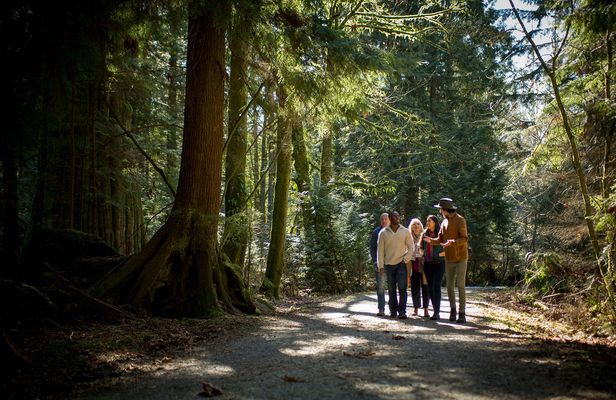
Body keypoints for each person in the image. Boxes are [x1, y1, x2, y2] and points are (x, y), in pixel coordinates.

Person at [424, 198, 469, 323]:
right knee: (449, 287)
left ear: (444, 209)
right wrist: (430, 241)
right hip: (449, 258)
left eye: (440, 209)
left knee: (460, 285)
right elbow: (440, 239)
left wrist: (453, 242)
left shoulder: (460, 220)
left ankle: (462, 313)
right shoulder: (444, 222)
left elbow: (464, 238)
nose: (439, 211)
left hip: (460, 257)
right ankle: (453, 311)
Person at [377, 211, 413, 319]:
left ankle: (402, 312)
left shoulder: (405, 231)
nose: (397, 218)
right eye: (394, 216)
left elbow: (411, 247)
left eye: (398, 216)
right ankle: (393, 311)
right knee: (392, 289)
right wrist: (381, 266)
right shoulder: (383, 233)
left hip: (401, 264)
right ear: (390, 218)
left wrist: (406, 259)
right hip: (388, 265)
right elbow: (380, 251)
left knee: (402, 289)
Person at [421, 215, 446, 320]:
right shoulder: (424, 234)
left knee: (436, 286)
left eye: (429, 221)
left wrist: (442, 254)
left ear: (435, 222)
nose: (427, 222)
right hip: (428, 263)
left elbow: (448, 246)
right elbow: (421, 248)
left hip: (439, 263)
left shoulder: (441, 234)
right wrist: (423, 254)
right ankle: (435, 310)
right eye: (427, 221)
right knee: (430, 287)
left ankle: (437, 312)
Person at [408, 218, 429, 317]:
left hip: (424, 265)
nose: (416, 226)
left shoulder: (425, 236)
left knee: (425, 287)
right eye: (414, 224)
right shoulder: (408, 237)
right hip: (413, 264)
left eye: (418, 224)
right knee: (415, 287)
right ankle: (416, 308)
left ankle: (426, 309)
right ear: (411, 227)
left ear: (421, 226)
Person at [369, 213, 390, 316]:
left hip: (392, 263)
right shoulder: (376, 232)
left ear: (389, 220)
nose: (384, 221)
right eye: (382, 219)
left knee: (392, 286)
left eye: (386, 219)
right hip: (379, 264)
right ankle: (381, 308)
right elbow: (372, 248)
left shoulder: (393, 231)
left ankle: (393, 308)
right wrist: (374, 261)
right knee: (381, 287)